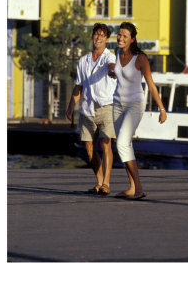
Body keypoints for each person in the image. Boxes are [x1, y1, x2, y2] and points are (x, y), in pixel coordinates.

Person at [108, 22, 167, 200]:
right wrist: (112, 71)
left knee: (122, 144)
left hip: (135, 104)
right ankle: (132, 187)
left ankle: (139, 188)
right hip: (117, 104)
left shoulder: (140, 58)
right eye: (119, 34)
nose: (120, 37)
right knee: (125, 146)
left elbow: (151, 84)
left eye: (125, 35)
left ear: (132, 39)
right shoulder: (117, 53)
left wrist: (162, 108)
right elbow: (119, 75)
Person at [66, 23, 117, 195]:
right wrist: (71, 106)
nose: (98, 38)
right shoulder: (83, 61)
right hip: (87, 108)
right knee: (89, 148)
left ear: (107, 39)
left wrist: (112, 72)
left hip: (106, 106)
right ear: (92, 36)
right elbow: (78, 86)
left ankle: (106, 184)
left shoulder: (110, 58)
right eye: (96, 34)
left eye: (102, 35)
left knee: (106, 144)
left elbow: (112, 67)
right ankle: (99, 181)